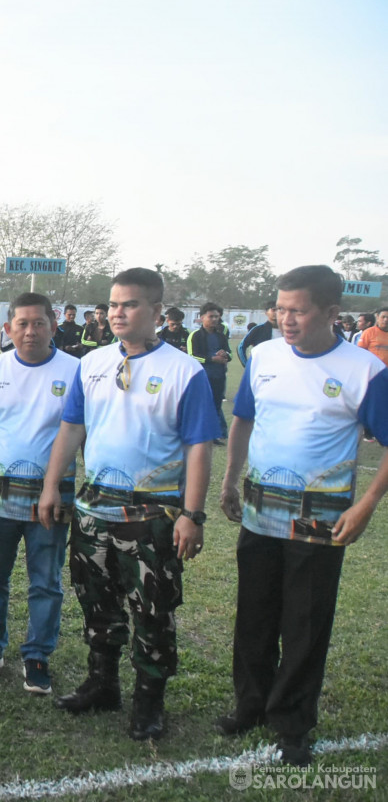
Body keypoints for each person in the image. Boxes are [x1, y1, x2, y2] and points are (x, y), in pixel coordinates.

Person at [38, 267, 220, 741]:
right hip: (94, 510)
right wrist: (52, 486)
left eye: (131, 304)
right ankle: (102, 685)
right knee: (96, 603)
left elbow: (199, 447)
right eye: (114, 303)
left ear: (158, 312)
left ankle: (149, 702)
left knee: (153, 612)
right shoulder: (91, 362)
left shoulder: (186, 371)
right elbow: (72, 428)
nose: (118, 312)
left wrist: (191, 515)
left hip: (153, 517)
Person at [217, 266, 388, 766]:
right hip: (260, 510)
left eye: (298, 310)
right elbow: (244, 418)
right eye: (280, 308)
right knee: (254, 613)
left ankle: (291, 723)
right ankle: (250, 705)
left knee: (305, 622)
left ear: (332, 313)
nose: (285, 319)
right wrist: (229, 479)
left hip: (321, 518)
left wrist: (366, 505)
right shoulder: (264, 355)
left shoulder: (366, 371)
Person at [0, 293, 78, 695]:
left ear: (53, 327)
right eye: (21, 323)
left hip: (51, 498)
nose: (30, 331)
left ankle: (37, 655)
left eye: (39, 323)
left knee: (46, 581)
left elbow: (84, 433)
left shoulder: (77, 371)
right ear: (8, 329)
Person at [187, 302, 232, 444]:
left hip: (219, 375)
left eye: (217, 317)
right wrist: (212, 359)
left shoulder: (221, 336)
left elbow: (229, 353)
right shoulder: (195, 335)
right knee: (201, 405)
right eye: (211, 316)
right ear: (202, 317)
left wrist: (225, 355)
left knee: (217, 405)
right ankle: (198, 434)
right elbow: (192, 355)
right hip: (202, 376)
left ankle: (214, 435)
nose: (214, 319)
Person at [237, 300, 279, 365]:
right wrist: (247, 365)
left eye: (279, 310)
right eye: (274, 310)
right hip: (263, 370)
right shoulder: (258, 329)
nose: (277, 312)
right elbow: (241, 347)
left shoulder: (288, 331)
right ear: (266, 312)